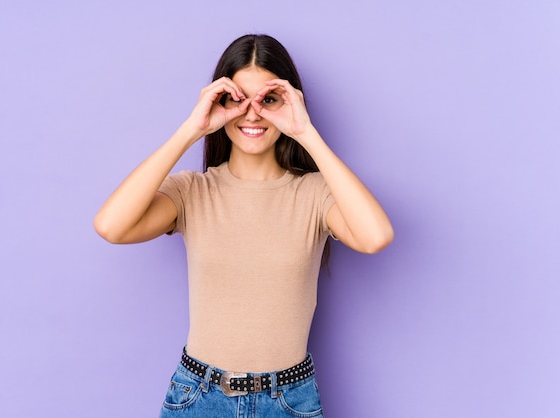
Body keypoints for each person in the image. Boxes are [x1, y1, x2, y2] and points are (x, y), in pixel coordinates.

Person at [94, 34, 393, 417]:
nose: (252, 114)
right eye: (236, 100)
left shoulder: (315, 193)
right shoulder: (192, 191)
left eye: (268, 100)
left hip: (289, 400)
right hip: (199, 397)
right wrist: (191, 129)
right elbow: (111, 226)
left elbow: (376, 236)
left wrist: (305, 132)